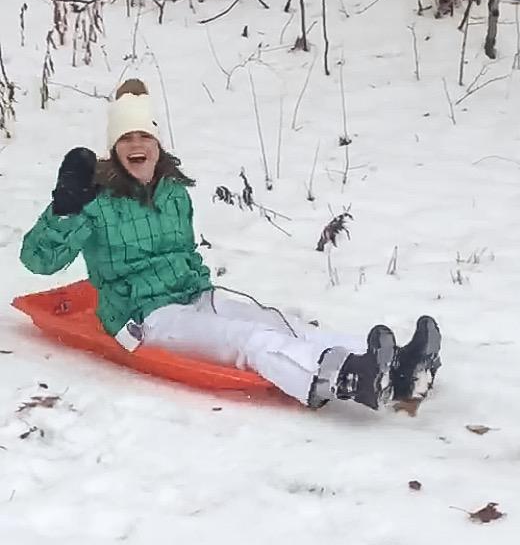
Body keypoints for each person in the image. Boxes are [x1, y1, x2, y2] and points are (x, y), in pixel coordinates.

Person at [20, 79, 442, 411]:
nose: (136, 145)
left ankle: (399, 367)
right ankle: (348, 377)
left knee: (283, 322)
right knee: (247, 340)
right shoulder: (96, 203)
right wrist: (64, 207)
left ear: (157, 143)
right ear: (113, 148)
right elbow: (38, 261)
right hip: (144, 318)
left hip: (193, 295)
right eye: (126, 138)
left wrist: (202, 292)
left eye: (144, 136)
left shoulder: (172, 194)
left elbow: (184, 253)